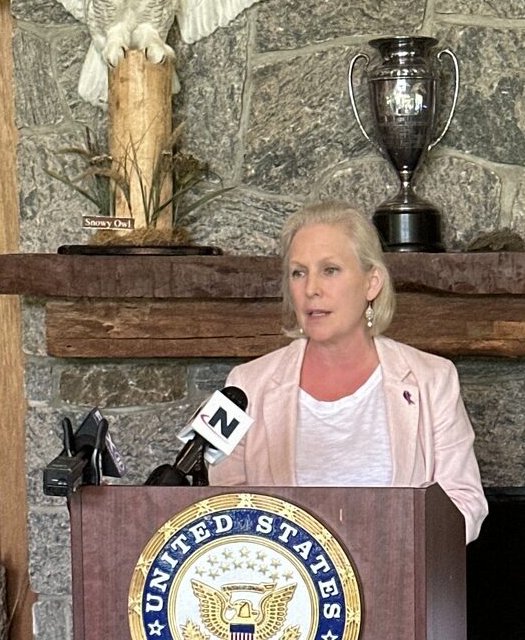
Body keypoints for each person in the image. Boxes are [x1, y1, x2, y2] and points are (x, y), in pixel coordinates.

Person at [209, 200, 488, 543]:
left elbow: (465, 506)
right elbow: (220, 507)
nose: (311, 288)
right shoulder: (246, 385)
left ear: (371, 283)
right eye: (298, 272)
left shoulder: (432, 379)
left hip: (398, 582)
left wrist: (386, 546)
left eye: (330, 270)